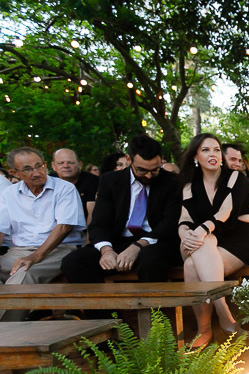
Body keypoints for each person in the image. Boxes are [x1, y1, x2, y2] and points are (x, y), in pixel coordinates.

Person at [178, 133, 249, 345]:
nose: (213, 154)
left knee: (191, 265)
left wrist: (201, 230)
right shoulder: (190, 186)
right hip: (209, 241)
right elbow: (184, 217)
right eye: (206, 150)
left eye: (216, 149)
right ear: (196, 156)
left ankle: (209, 326)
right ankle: (218, 315)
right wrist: (184, 234)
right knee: (196, 254)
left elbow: (226, 210)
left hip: (240, 241)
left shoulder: (235, 177)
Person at [61, 134, 182, 284]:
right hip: (118, 241)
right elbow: (99, 223)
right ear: (129, 159)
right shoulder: (110, 181)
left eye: (155, 170)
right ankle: (103, 307)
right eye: (142, 170)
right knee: (73, 262)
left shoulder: (172, 182)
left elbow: (169, 223)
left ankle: (153, 307)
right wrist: (106, 250)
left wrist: (138, 246)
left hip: (156, 242)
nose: (149, 176)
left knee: (150, 259)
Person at [0, 148, 85, 320]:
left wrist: (35, 256)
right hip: (18, 250)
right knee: (20, 269)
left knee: (23, 274)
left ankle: (6, 333)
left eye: (40, 166)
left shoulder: (65, 188)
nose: (37, 172)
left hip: (59, 249)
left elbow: (64, 227)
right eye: (27, 169)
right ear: (13, 172)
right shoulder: (9, 193)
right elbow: (1, 229)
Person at [52, 148, 99, 221]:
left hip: (83, 228)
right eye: (61, 163)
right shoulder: (48, 182)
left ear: (80, 165)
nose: (66, 166)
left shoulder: (93, 181)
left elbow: (92, 213)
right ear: (53, 166)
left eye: (70, 162)